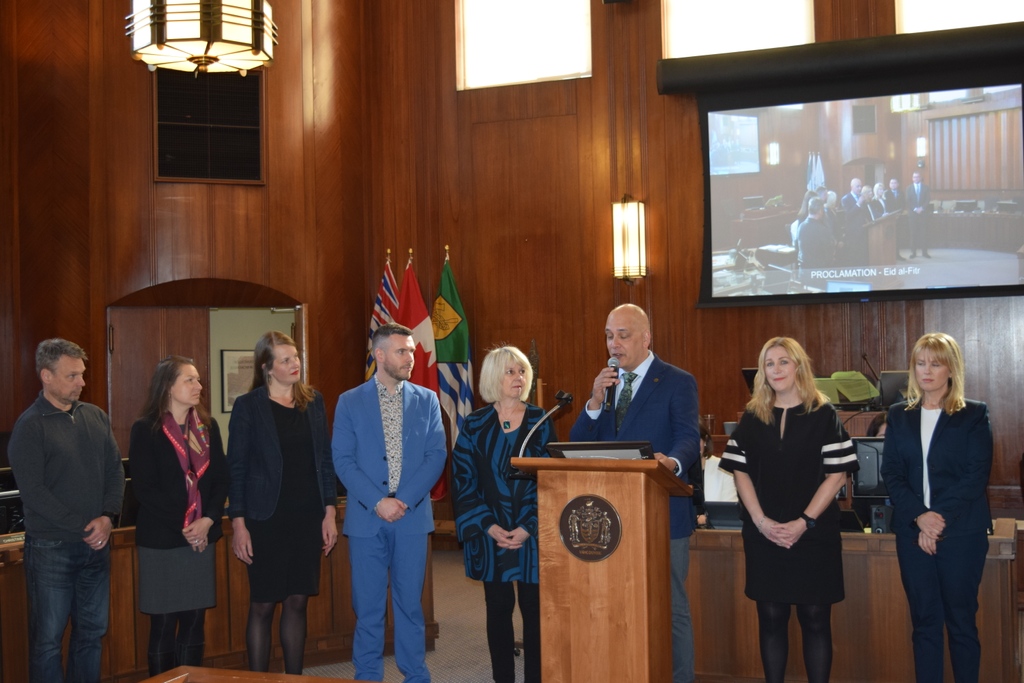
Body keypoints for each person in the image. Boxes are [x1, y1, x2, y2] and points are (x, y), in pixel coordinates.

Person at [569, 304, 700, 683]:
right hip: (612, 513)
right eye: (609, 335)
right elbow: (578, 443)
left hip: (663, 510)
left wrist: (671, 463)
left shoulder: (676, 381)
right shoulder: (607, 383)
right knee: (617, 604)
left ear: (646, 338)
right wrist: (594, 401)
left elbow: (689, 438)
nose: (614, 344)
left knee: (670, 606)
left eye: (623, 335)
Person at [719, 337, 858, 683]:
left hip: (813, 536)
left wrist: (803, 522)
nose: (776, 369)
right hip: (764, 535)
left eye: (784, 361)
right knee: (770, 618)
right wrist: (762, 522)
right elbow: (741, 473)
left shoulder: (824, 414)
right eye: (769, 363)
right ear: (762, 372)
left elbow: (837, 475)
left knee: (815, 619)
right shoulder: (753, 416)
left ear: (799, 366)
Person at [333, 322, 447, 683]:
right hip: (368, 520)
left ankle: (415, 675)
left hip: (411, 520)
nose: (411, 358)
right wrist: (378, 502)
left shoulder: (427, 399)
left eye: (412, 351)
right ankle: (367, 676)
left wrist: (404, 501)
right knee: (368, 610)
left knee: (410, 607)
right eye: (402, 351)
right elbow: (343, 460)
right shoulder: (349, 401)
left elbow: (436, 455)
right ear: (379, 354)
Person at [8, 338, 125, 683]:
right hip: (51, 549)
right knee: (47, 641)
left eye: (82, 375)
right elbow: (35, 493)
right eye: (73, 376)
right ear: (46, 375)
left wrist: (107, 517)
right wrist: (84, 526)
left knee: (91, 633)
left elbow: (115, 470)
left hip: (96, 546)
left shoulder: (95, 416)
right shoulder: (30, 427)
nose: (82, 383)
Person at [880, 333, 992, 683]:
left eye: (935, 363)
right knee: (925, 623)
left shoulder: (973, 414)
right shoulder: (899, 415)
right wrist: (919, 517)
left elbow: (975, 476)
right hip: (912, 534)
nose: (926, 370)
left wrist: (936, 522)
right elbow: (893, 474)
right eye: (920, 362)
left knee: (960, 623)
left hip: (961, 534)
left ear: (951, 369)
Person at [228, 331, 339, 674]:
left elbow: (324, 460)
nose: (295, 364)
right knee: (262, 605)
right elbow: (238, 467)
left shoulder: (313, 401)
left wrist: (330, 512)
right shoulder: (249, 406)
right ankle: (258, 680)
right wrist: (239, 524)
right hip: (265, 520)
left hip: (307, 516)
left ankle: (295, 678)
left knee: (297, 601)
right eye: (286, 360)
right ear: (267, 367)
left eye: (296, 357)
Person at [451, 345, 553, 683]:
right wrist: (488, 525)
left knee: (535, 612)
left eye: (522, 371)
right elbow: (463, 479)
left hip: (532, 533)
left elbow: (550, 480)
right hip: (489, 532)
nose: (519, 378)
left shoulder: (542, 421)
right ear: (495, 377)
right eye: (510, 371)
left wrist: (528, 526)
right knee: (498, 610)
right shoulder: (475, 423)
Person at [129, 355, 229, 675]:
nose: (199, 386)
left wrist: (208, 520)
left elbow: (221, 480)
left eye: (198, 380)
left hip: (201, 536)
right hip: (163, 540)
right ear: (168, 387)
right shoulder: (146, 429)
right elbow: (145, 489)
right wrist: (188, 525)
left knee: (194, 622)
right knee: (163, 624)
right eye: (190, 380)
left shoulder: (207, 427)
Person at [797, 197, 834, 270]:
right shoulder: (823, 230)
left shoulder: (801, 226)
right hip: (819, 272)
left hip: (804, 270)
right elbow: (829, 253)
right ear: (820, 211)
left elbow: (798, 247)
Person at [906, 171, 932, 258]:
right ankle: (913, 253)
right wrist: (915, 209)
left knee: (924, 233)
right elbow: (908, 201)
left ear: (920, 178)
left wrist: (922, 208)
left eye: (917, 177)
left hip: (923, 214)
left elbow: (927, 200)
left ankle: (924, 252)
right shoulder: (908, 188)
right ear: (912, 178)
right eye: (914, 177)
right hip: (913, 215)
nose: (916, 178)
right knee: (913, 234)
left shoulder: (926, 188)